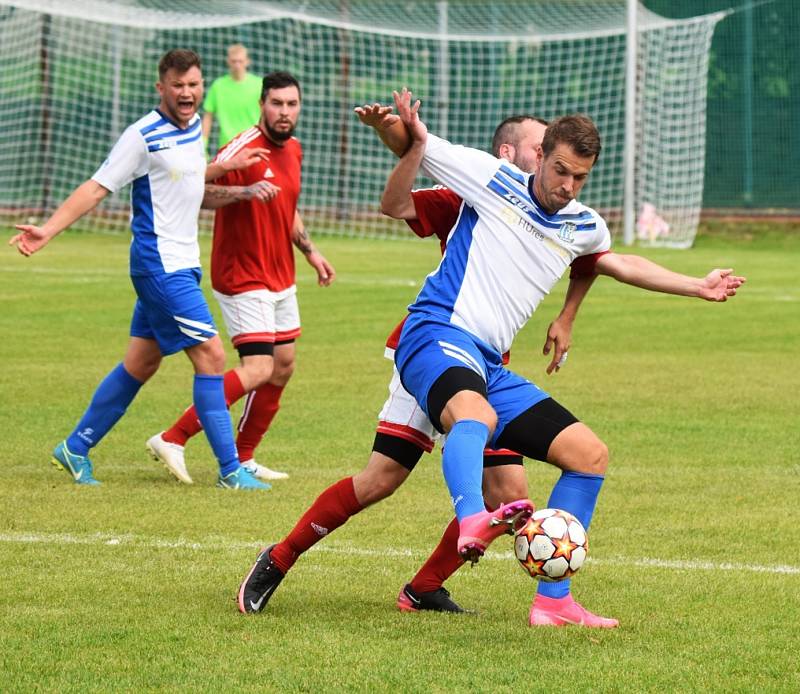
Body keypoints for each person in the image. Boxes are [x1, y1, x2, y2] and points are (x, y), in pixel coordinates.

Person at [237, 91, 745, 626]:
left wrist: (697, 285)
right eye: (559, 171)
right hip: (434, 336)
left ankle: (550, 601)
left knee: (581, 457)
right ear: (537, 155)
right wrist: (399, 127)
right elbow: (418, 149)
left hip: (483, 365)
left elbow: (614, 263)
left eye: (579, 178)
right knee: (427, 451)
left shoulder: (582, 223)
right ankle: (282, 556)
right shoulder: (487, 178)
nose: (567, 186)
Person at [8, 49, 269, 490]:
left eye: (193, 85)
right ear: (161, 88)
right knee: (212, 356)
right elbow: (96, 187)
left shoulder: (190, 131)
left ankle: (75, 448)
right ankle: (231, 470)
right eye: (178, 86)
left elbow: (187, 186)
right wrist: (48, 230)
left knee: (140, 363)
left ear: (200, 87)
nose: (186, 93)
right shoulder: (142, 135)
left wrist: (229, 176)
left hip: (182, 265)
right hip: (158, 266)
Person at [146, 71, 335, 485]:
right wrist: (244, 192)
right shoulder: (242, 149)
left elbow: (287, 207)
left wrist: (311, 251)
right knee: (258, 367)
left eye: (292, 104)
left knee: (282, 366)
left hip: (279, 271)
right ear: (262, 105)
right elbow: (198, 192)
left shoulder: (295, 150)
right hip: (241, 272)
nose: (284, 112)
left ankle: (245, 456)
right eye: (277, 104)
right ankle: (173, 437)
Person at [202, 44, 263, 151]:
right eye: (234, 61)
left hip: (254, 145)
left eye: (240, 61)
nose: (237, 65)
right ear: (228, 61)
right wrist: (203, 144)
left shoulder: (259, 85)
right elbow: (208, 117)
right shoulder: (218, 86)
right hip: (228, 148)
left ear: (247, 61)